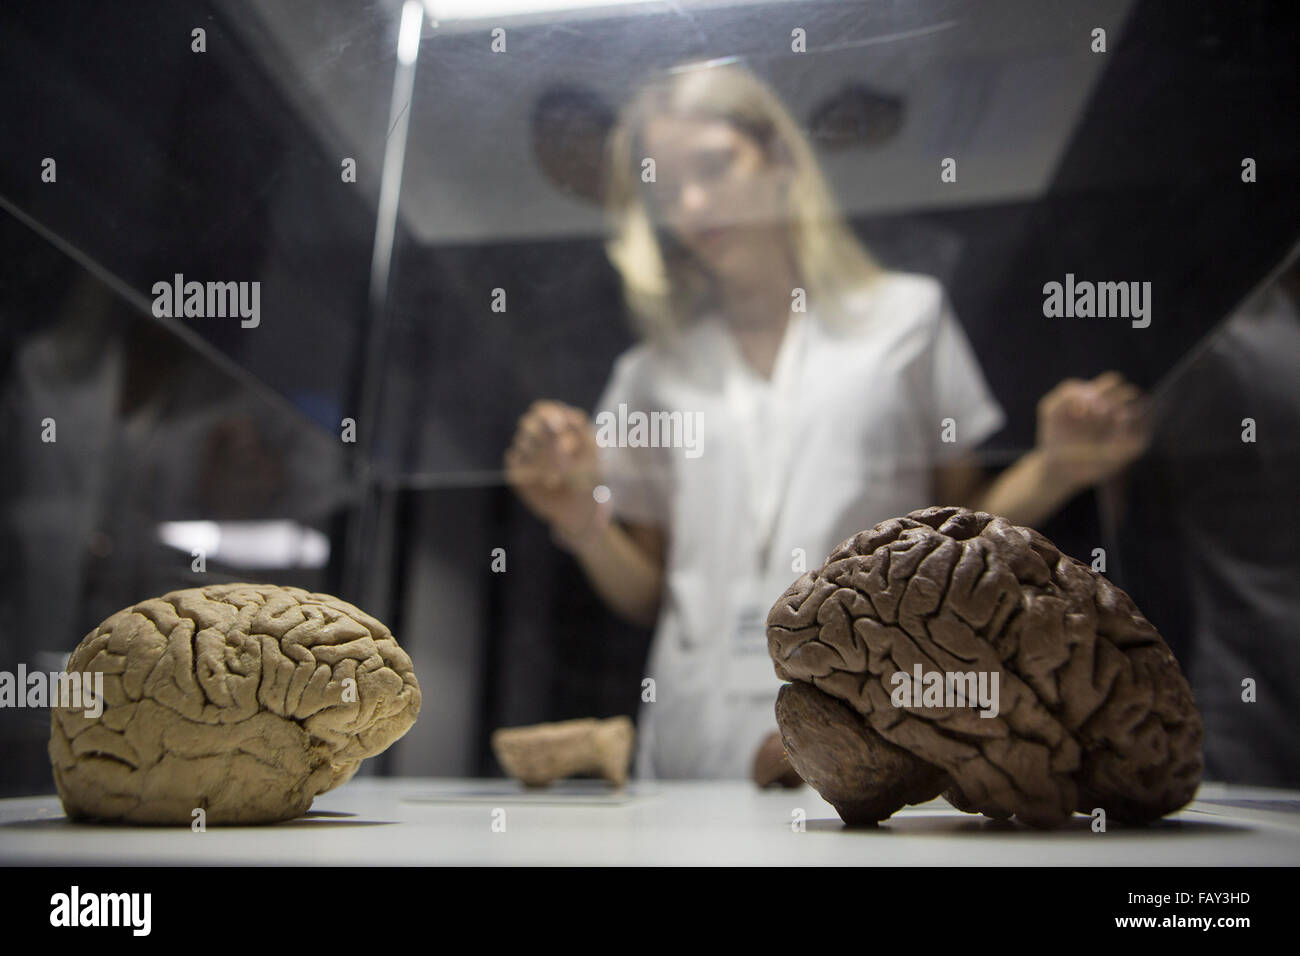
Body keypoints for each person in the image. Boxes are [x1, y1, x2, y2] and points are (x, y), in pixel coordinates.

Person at [505, 61, 1147, 783]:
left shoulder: (907, 319)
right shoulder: (650, 373)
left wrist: (1057, 467)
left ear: (779, 160)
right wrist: (581, 520)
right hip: (693, 734)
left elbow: (962, 529)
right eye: (664, 187)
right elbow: (651, 589)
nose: (691, 204)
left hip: (870, 714)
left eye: (713, 167)